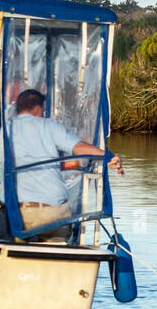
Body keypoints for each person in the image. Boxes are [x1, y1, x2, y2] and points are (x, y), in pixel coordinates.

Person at [9, 89, 123, 243]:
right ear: (37, 108)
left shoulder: (4, 130)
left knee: (15, 247)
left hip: (18, 212)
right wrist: (108, 156)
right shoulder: (48, 126)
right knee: (56, 247)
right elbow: (79, 148)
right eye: (43, 109)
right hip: (51, 211)